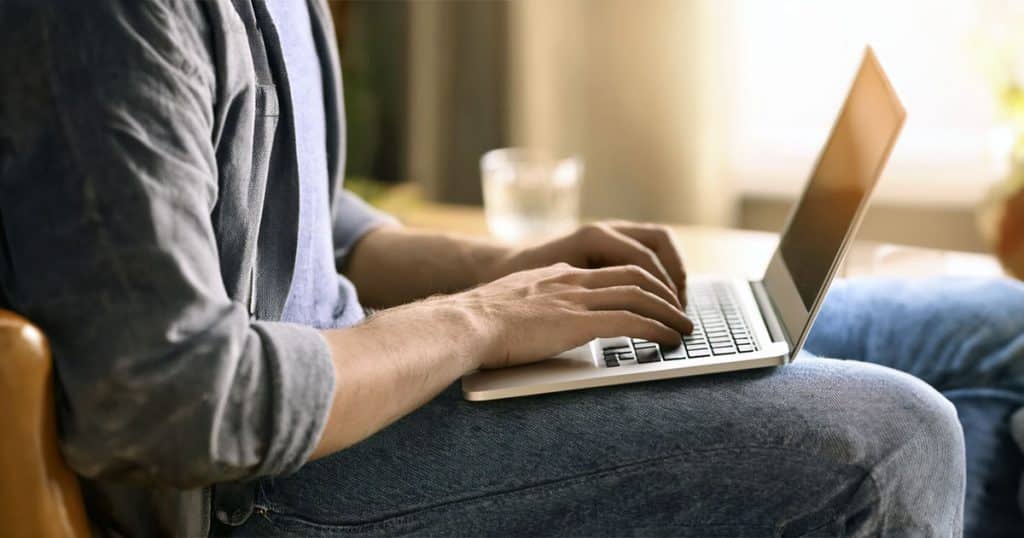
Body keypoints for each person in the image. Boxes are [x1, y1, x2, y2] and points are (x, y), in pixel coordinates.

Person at [0, 0, 1018, 535]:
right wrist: (475, 319)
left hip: (371, 366)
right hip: (276, 479)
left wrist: (505, 268)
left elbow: (286, 202)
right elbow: (177, 402)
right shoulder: (99, 18)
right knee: (894, 440)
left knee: (989, 333)